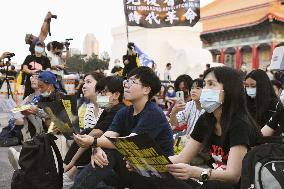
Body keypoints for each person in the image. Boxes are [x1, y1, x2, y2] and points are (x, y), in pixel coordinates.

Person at [71, 67, 174, 189]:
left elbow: (129, 144)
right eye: (126, 82)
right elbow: (106, 137)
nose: (126, 85)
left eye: (132, 82)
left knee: (113, 152)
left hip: (157, 174)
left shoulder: (153, 112)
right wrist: (96, 148)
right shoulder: (124, 112)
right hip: (132, 168)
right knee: (99, 163)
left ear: (146, 89)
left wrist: (94, 142)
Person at [158, 66, 261, 189]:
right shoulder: (206, 120)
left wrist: (195, 172)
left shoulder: (240, 124)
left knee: (214, 186)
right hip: (212, 180)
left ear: (229, 90)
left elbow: (233, 176)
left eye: (211, 84)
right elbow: (182, 158)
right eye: (205, 84)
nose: (205, 89)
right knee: (162, 177)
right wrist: (148, 164)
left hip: (243, 185)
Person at [63, 76, 125, 186]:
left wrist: (71, 163)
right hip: (101, 156)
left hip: (115, 162)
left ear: (116, 95)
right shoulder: (106, 110)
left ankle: (69, 174)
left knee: (88, 136)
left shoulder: (118, 111)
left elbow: (93, 135)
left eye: (103, 93)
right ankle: (68, 173)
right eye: (99, 93)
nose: (100, 96)